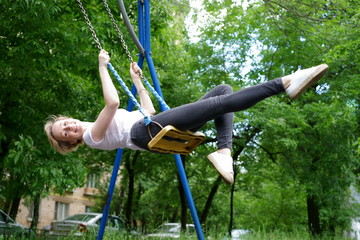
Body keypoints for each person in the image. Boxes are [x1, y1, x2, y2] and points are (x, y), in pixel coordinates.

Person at [45, 49, 328, 185]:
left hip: (150, 124)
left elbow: (147, 110)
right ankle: (286, 82)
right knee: (222, 101)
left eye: (65, 124)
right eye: (65, 134)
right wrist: (102, 67)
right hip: (148, 134)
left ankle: (224, 152)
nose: (69, 129)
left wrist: (137, 81)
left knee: (222, 90)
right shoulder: (93, 136)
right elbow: (113, 102)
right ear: (71, 143)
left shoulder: (95, 127)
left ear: (68, 118)